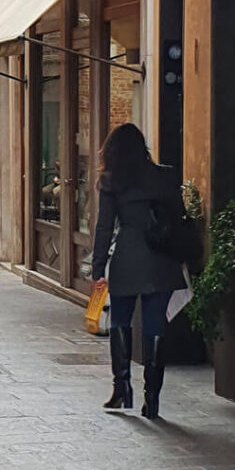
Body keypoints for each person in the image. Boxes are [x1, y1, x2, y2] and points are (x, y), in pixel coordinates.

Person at [91, 123, 185, 419]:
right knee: (155, 326)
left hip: (128, 257)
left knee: (120, 322)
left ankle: (122, 390)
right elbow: (178, 219)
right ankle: (152, 400)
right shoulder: (165, 176)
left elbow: (105, 227)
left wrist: (96, 267)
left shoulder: (111, 181)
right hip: (161, 259)